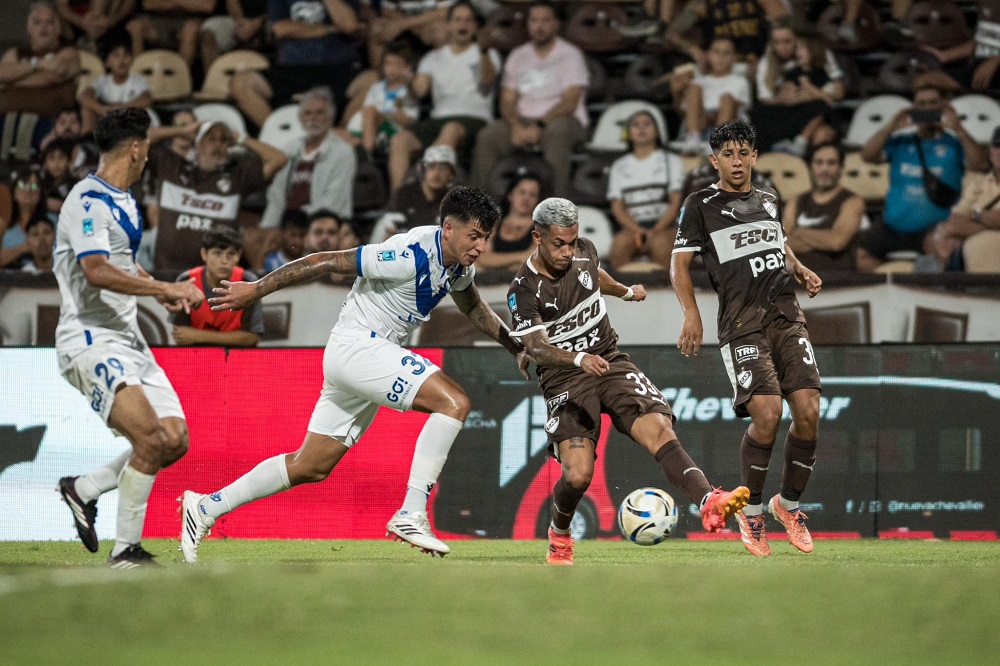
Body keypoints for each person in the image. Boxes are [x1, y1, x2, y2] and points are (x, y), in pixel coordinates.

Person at [178, 187, 528, 562]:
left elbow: (473, 305)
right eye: (474, 236)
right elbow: (325, 260)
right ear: (447, 228)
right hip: (358, 346)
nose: (480, 246)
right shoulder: (407, 256)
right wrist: (257, 289)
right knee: (454, 402)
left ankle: (205, 507)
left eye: (486, 238)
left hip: (366, 355)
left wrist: (515, 347)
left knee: (311, 465)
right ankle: (411, 512)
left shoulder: (459, 266)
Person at [507, 197, 750, 565]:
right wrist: (577, 358)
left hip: (609, 360)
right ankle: (559, 533)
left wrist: (623, 290)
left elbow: (592, 276)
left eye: (572, 242)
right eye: (559, 244)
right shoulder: (523, 289)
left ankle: (708, 501)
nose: (568, 251)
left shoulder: (583, 251)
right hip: (565, 379)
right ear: (537, 236)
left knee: (659, 428)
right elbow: (537, 349)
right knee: (578, 475)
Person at [53, 108, 203, 567]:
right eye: (148, 148)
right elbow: (96, 270)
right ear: (136, 148)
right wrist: (166, 286)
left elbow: (118, 260)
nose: (148, 157)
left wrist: (158, 297)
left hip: (129, 337)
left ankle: (84, 488)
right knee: (151, 439)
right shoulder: (87, 200)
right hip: (89, 337)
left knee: (175, 439)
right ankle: (126, 551)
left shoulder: (124, 200)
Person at [670, 120, 823, 557]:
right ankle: (751, 512)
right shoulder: (700, 204)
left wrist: (800, 268)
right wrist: (691, 314)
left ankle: (787, 506)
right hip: (741, 323)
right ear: (713, 160)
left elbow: (778, 242)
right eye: (727, 155)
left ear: (754, 156)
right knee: (768, 413)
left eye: (743, 153)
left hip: (785, 315)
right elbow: (679, 264)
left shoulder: (770, 197)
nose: (736, 162)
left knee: (809, 409)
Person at [858, 72, 987, 271]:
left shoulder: (954, 144)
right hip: (891, 227)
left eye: (932, 103)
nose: (927, 108)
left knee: (943, 255)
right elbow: (868, 156)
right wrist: (890, 127)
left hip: (932, 230)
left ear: (942, 106)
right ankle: (897, 281)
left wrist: (959, 128)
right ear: (913, 108)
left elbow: (980, 165)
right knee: (858, 256)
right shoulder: (900, 142)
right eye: (921, 104)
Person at [471, 0, 589, 197]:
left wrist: (540, 126)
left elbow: (570, 101)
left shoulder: (571, 55)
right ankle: (478, 206)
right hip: (522, 119)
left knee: (556, 134)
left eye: (545, 20)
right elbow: (507, 100)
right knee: (488, 136)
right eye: (534, 20)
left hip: (562, 120)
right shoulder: (518, 55)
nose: (539, 26)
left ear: (556, 24)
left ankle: (556, 206)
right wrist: (515, 125)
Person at [387, 1, 501, 190]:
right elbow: (419, 92)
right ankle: (398, 202)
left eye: (468, 20)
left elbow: (488, 81)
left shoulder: (488, 54)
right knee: (399, 140)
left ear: (475, 26)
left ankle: (426, 194)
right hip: (439, 118)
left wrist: (483, 51)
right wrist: (408, 80)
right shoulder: (432, 58)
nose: (462, 25)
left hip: (474, 119)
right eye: (457, 20)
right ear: (449, 25)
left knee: (451, 129)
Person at [146, 119, 288, 270]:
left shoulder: (236, 178)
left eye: (223, 140)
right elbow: (138, 139)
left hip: (213, 279)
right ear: (197, 145)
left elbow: (279, 159)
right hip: (167, 274)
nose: (218, 145)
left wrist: (241, 139)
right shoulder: (171, 167)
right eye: (211, 139)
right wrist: (182, 131)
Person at [230, 0, 361, 132]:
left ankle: (338, 138)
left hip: (337, 67)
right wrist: (330, 28)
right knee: (241, 82)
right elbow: (281, 29)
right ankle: (279, 135)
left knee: (371, 81)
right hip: (292, 68)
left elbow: (349, 25)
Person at [261, 87, 356, 230]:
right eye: (308, 113)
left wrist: (305, 228)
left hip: (323, 228)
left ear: (331, 117)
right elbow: (277, 197)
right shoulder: (289, 150)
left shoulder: (343, 153)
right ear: (300, 118)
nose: (313, 118)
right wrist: (268, 228)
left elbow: (333, 201)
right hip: (288, 227)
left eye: (319, 113)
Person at [607, 110, 684, 271]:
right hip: (632, 226)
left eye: (647, 124)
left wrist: (655, 231)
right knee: (619, 245)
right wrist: (638, 231)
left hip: (666, 226)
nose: (641, 128)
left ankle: (668, 292)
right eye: (635, 125)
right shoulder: (619, 166)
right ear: (629, 133)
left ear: (657, 131)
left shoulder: (672, 161)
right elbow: (618, 207)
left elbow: (675, 202)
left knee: (661, 245)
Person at [750, 21, 843, 156]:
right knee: (758, 112)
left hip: (816, 111)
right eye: (777, 42)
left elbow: (836, 92)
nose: (782, 47)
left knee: (819, 109)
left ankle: (804, 149)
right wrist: (787, 98)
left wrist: (808, 92)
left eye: (787, 42)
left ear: (797, 39)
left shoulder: (820, 57)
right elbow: (769, 98)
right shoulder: (770, 64)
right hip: (787, 109)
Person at [171, 227, 263, 347]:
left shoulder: (249, 282)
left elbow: (252, 338)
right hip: (195, 358)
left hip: (236, 359)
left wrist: (197, 336)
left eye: (230, 254)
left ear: (238, 255)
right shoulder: (186, 281)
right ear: (204, 254)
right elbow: (181, 336)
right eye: (217, 253)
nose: (224, 261)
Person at [0, 2, 81, 138]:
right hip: (5, 118)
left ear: (58, 29)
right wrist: (36, 65)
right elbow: (2, 74)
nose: (43, 27)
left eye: (49, 22)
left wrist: (10, 82)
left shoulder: (68, 53)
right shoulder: (14, 53)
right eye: (37, 22)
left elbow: (50, 77)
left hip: (49, 123)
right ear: (28, 28)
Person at [783, 141, 865, 272]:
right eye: (819, 162)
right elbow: (783, 244)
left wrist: (799, 231)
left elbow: (837, 242)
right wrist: (824, 239)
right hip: (798, 282)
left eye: (831, 163)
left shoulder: (852, 201)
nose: (824, 169)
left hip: (838, 283)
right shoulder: (796, 201)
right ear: (810, 167)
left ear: (841, 167)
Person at [675, 37, 751, 155]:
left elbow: (735, 109)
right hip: (699, 125)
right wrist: (677, 93)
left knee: (726, 98)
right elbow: (684, 112)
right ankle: (694, 138)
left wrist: (707, 119)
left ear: (734, 57)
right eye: (716, 52)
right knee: (694, 88)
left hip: (726, 126)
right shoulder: (699, 81)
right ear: (708, 55)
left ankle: (718, 143)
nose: (720, 57)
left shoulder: (739, 81)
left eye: (726, 53)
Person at [370, 145, 457, 242]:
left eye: (443, 168)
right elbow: (389, 229)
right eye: (431, 167)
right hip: (402, 248)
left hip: (436, 252)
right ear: (423, 171)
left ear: (451, 174)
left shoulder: (453, 201)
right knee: (382, 224)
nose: (436, 173)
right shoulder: (404, 194)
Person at [939, 125, 1000, 255]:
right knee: (942, 244)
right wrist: (990, 223)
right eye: (997, 146)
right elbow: (953, 222)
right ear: (989, 152)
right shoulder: (976, 183)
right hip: (973, 248)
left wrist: (974, 215)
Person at [77, 31, 151, 134]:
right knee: (87, 109)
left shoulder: (138, 80)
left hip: (130, 122)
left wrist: (119, 109)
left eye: (126, 55)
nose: (121, 60)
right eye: (116, 55)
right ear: (107, 62)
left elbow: (146, 100)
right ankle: (87, 141)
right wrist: (101, 109)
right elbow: (83, 96)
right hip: (109, 120)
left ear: (131, 59)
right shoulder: (102, 81)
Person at [359, 40, 419, 156]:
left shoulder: (407, 90)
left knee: (370, 111)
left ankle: (367, 155)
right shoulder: (376, 88)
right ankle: (365, 147)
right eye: (388, 64)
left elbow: (407, 119)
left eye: (397, 65)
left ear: (407, 67)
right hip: (371, 129)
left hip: (395, 132)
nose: (391, 69)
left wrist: (384, 114)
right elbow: (365, 112)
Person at [476, 173, 543, 270]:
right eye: (522, 192)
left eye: (532, 195)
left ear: (537, 200)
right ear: (510, 195)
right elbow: (482, 258)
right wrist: (520, 257)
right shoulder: (494, 223)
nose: (526, 198)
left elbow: (534, 261)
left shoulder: (541, 228)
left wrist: (497, 261)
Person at [125, 0, 212, 66]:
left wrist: (170, 2)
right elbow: (148, 4)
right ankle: (139, 73)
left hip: (191, 19)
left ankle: (179, 75)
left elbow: (207, 5)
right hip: (159, 20)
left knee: (191, 29)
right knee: (136, 27)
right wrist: (186, 2)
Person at [199, 0, 269, 76]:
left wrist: (256, 24)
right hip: (240, 18)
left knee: (276, 30)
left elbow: (278, 8)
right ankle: (214, 80)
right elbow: (232, 2)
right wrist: (240, 22)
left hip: (269, 19)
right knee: (209, 31)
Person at [0, 169, 47, 269]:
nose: (28, 190)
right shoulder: (3, 223)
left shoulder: (53, 221)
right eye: (22, 185)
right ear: (13, 192)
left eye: (34, 186)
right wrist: (23, 248)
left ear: (40, 194)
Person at [263, 208, 309, 272]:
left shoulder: (312, 262)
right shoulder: (269, 262)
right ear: (282, 233)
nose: (297, 241)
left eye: (301, 235)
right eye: (293, 235)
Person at [41, 138, 77, 216]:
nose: (56, 163)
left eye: (61, 158)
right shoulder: (41, 184)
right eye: (51, 158)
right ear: (45, 163)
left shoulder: (75, 185)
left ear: (69, 161)